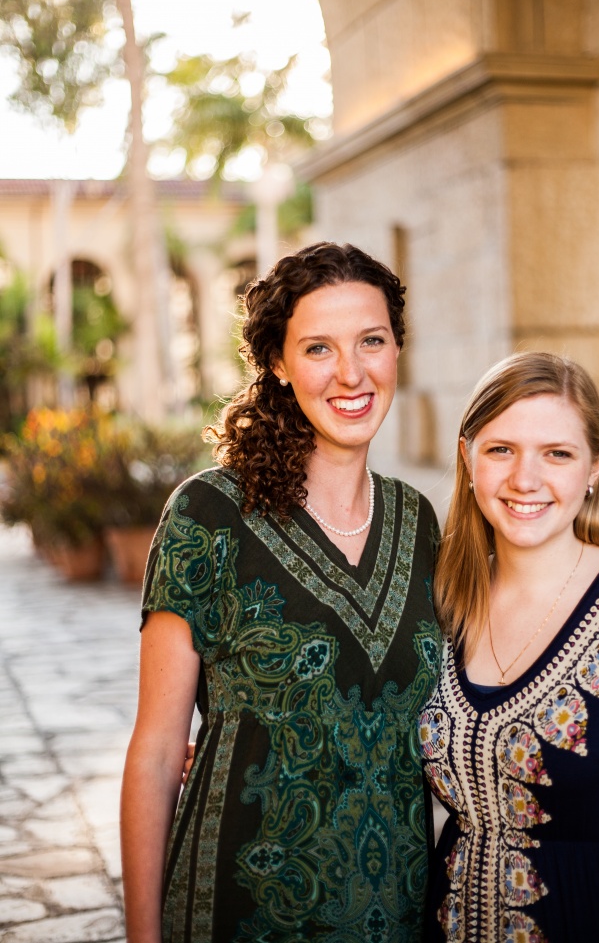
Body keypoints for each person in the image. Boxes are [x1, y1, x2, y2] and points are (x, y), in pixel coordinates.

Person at [120, 242, 442, 943]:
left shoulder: (418, 521)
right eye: (319, 348)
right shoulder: (207, 514)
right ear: (277, 364)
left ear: (396, 352)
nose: (351, 373)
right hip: (241, 911)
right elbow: (154, 750)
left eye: (371, 341)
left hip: (398, 913)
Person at [419, 351, 599, 942]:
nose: (525, 479)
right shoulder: (441, 604)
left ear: (594, 466)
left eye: (557, 453)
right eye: (501, 449)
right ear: (468, 457)